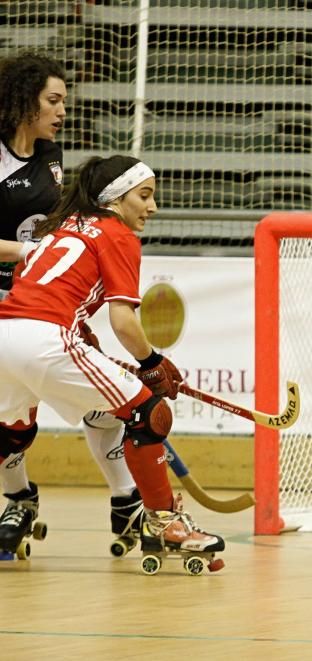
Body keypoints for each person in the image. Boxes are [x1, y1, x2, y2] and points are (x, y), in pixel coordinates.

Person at [0, 154, 225, 567]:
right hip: (45, 338)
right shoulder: (117, 233)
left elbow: (41, 294)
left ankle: (122, 505)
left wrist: (88, 347)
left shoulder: (57, 229)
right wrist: (152, 362)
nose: (152, 206)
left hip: (6, 335)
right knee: (149, 412)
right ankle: (163, 522)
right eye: (145, 195)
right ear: (117, 197)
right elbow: (123, 320)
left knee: (8, 435)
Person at [0, 50, 144, 552]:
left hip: (44, 299)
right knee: (11, 417)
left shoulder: (51, 155)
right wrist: (25, 250)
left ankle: (127, 499)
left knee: (101, 399)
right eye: (53, 101)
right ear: (24, 102)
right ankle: (18, 497)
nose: (62, 111)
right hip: (6, 302)